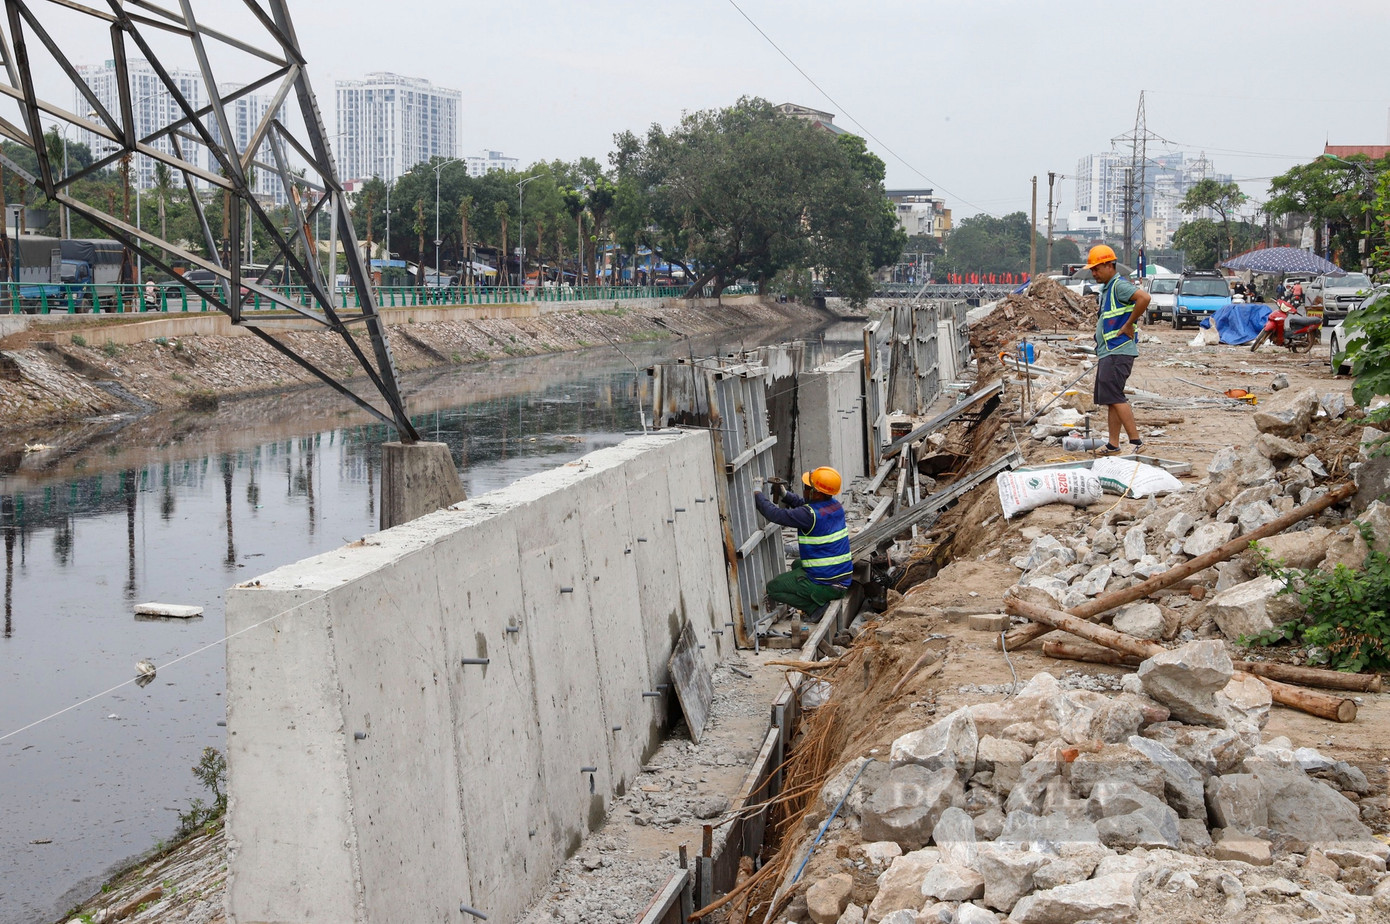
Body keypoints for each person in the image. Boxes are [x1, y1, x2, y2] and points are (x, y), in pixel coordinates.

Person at [753, 466, 852, 615]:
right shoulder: (835, 506)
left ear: (816, 493)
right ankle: (816, 595)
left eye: (807, 487)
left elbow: (775, 514)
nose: (804, 489)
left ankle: (815, 608)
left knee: (774, 588)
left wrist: (757, 492)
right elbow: (804, 505)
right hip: (843, 579)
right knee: (796, 564)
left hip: (828, 584)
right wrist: (784, 494)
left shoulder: (809, 515)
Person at [1086, 244, 1150, 456]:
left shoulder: (1118, 286)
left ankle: (1136, 440)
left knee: (1115, 396)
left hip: (1118, 349)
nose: (1094, 273)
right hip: (1109, 350)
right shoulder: (1108, 289)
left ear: (1109, 265)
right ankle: (1114, 443)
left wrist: (1129, 324)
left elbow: (1144, 298)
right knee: (1110, 398)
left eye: (1096, 269)